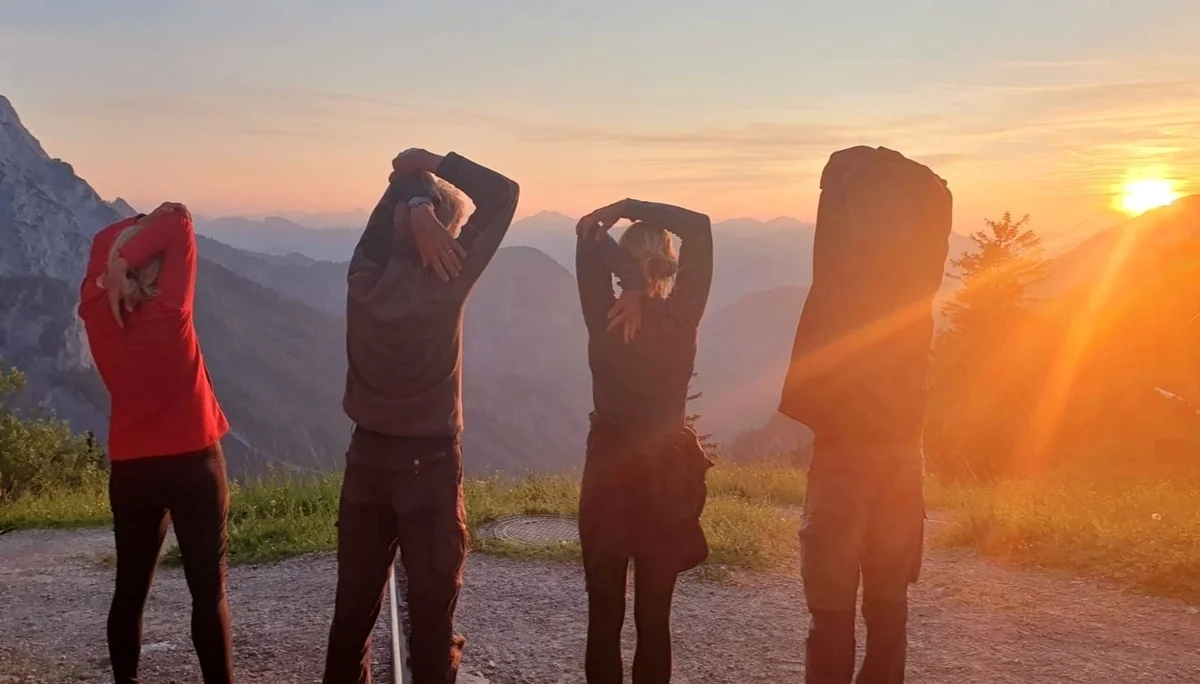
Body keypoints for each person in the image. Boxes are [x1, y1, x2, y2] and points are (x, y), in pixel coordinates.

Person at [322, 148, 519, 684]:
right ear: (446, 238)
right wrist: (435, 165)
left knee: (352, 612)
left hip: (367, 460)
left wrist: (412, 200)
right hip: (428, 467)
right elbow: (505, 193)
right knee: (432, 619)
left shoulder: (362, 277)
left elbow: (396, 185)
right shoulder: (448, 279)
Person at [779, 146, 952, 684]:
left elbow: (836, 172)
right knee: (888, 606)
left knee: (830, 608)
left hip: (843, 453)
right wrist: (892, 167)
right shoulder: (920, 288)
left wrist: (867, 165)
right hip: (903, 454)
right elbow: (939, 194)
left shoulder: (838, 283)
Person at [78, 201, 233, 684]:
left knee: (130, 590)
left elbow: (105, 245)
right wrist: (141, 237)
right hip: (194, 461)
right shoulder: (172, 308)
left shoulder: (93, 311)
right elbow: (181, 220)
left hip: (133, 468)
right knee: (207, 592)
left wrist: (118, 252)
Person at [573, 198, 716, 684]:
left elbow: (588, 234)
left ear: (625, 265)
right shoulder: (683, 319)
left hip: (608, 478)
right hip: (665, 482)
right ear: (670, 260)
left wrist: (628, 282)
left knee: (604, 618)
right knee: (655, 620)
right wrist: (630, 205)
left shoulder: (604, 315)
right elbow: (700, 226)